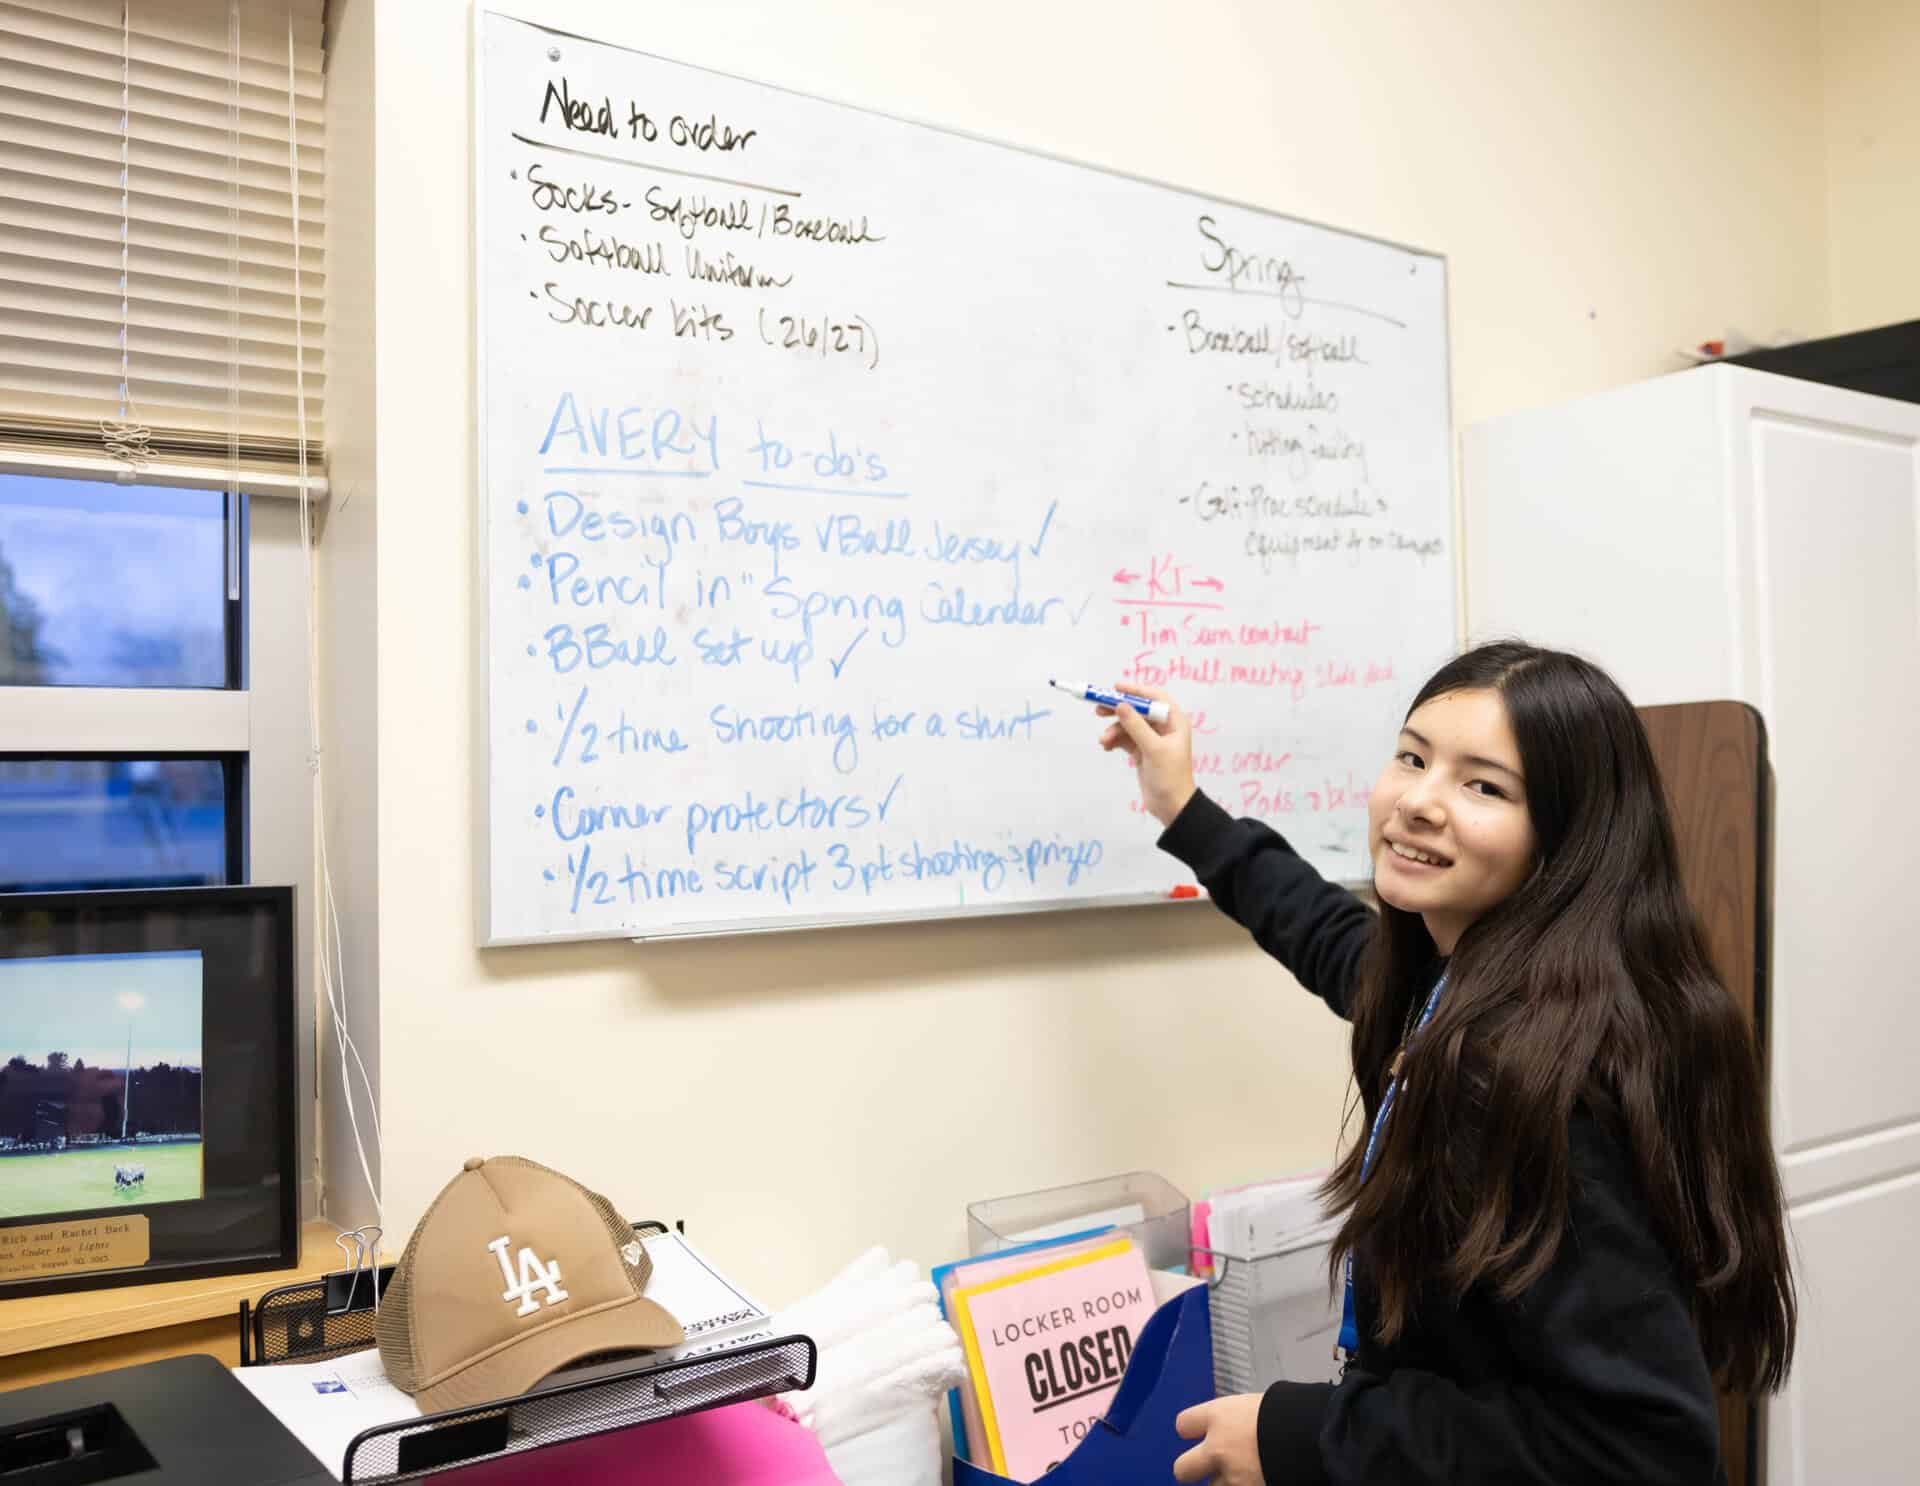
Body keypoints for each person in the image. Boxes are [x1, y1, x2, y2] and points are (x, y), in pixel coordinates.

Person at [1094, 641, 1794, 1486]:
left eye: (1484, 786)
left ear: (1569, 835)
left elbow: (1638, 1451)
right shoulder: (1462, 984)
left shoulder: (1532, 1076)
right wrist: (1182, 807)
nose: (1419, 802)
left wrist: (1301, 1436)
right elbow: (1328, 936)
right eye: (1413, 757)